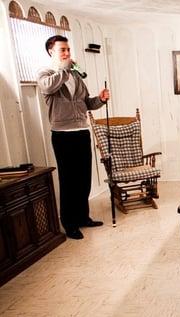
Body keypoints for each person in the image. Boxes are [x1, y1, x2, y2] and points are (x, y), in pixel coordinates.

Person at [37, 35, 110, 240]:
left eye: (68, 49)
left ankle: (83, 217)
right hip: (62, 136)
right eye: (63, 50)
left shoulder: (75, 76)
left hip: (81, 132)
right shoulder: (47, 74)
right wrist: (64, 68)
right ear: (52, 51)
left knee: (83, 178)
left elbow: (86, 102)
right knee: (69, 180)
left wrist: (100, 99)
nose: (67, 53)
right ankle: (69, 223)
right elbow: (48, 87)